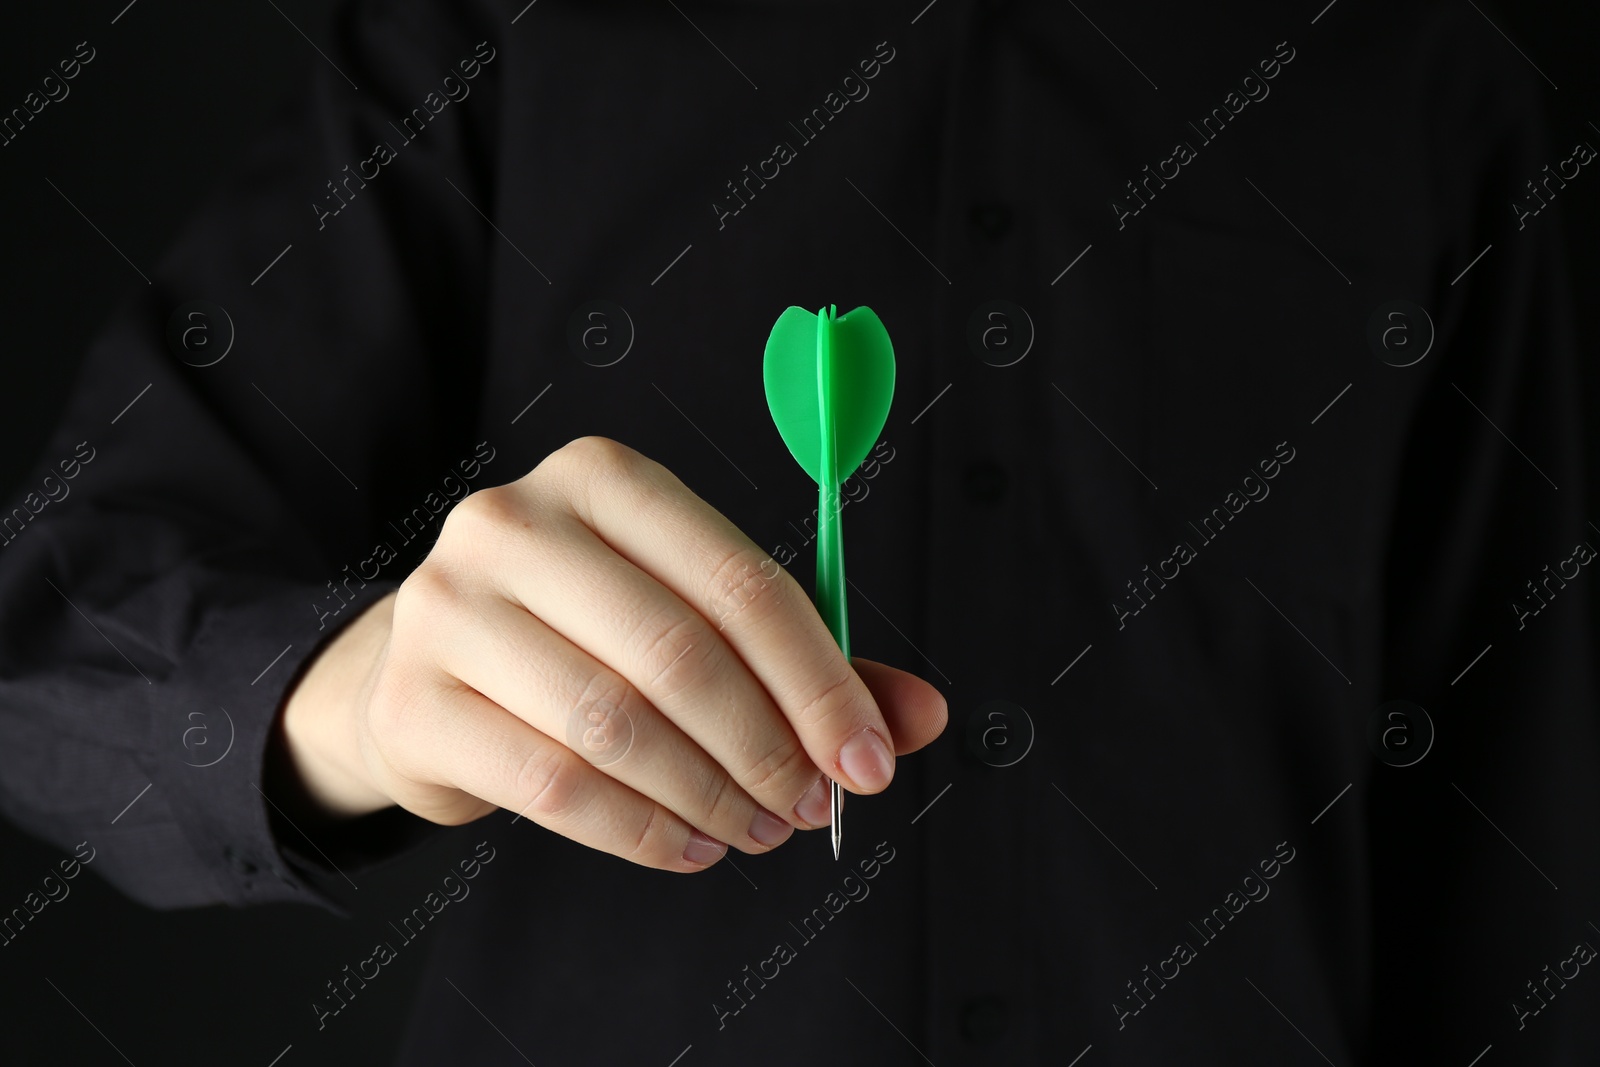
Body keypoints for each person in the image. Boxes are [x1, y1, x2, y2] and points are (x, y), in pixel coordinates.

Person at [1, 0, 1594, 1062]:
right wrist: (350, 702)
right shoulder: (515, 29)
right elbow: (57, 650)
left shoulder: (1435, 76)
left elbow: (1524, 833)